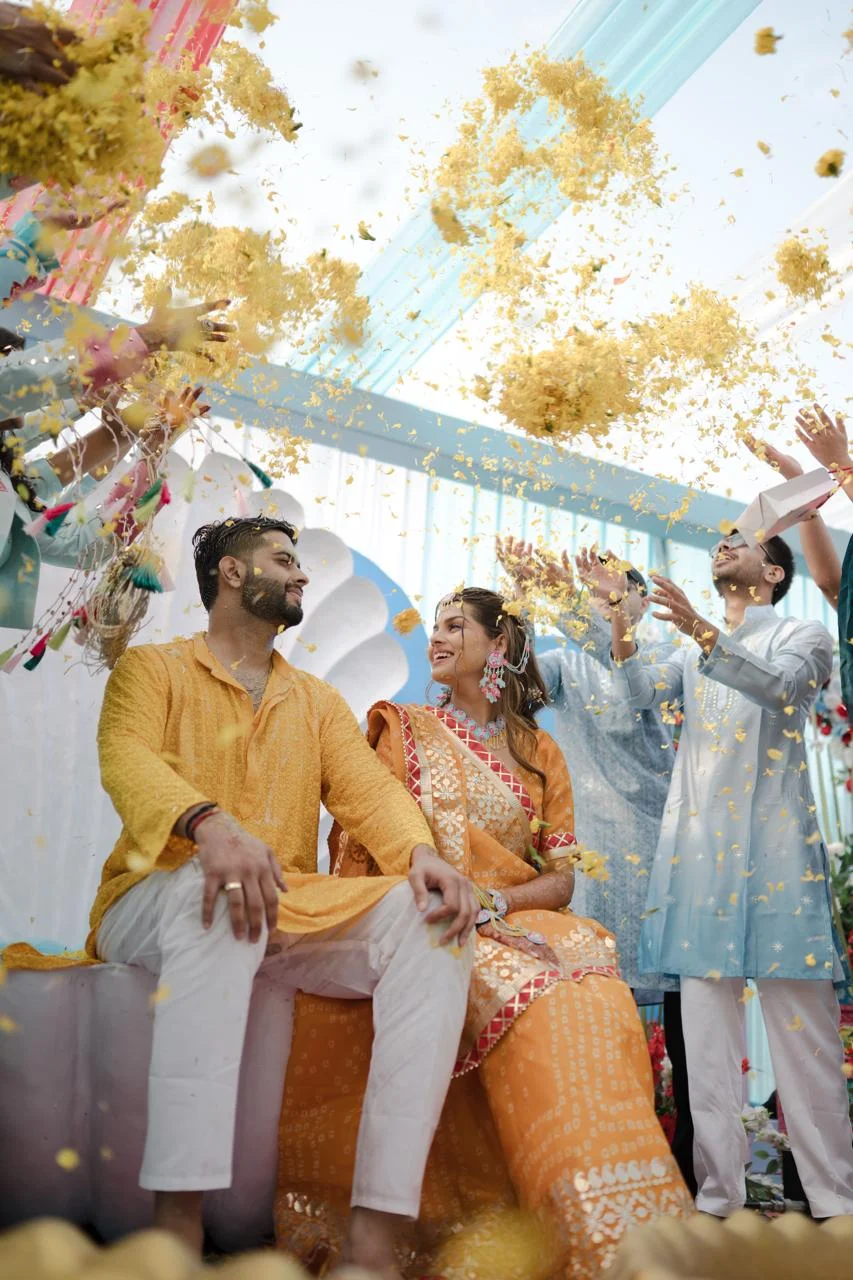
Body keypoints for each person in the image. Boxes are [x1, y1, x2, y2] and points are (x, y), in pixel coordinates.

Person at [84, 516, 478, 1269]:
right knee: (221, 886)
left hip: (285, 904)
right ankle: (178, 1222)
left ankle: (373, 1237)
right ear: (232, 574)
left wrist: (421, 853)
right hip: (155, 893)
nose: (300, 575)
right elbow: (125, 759)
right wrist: (206, 825)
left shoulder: (316, 701)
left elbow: (367, 791)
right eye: (283, 560)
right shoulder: (152, 670)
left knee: (431, 920)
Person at [275, 587, 693, 1280]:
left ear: (496, 647)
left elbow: (559, 879)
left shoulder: (539, 752)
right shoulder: (401, 731)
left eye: (453, 626)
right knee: (540, 997)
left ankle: (622, 1224)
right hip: (427, 916)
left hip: (511, 916)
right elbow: (366, 847)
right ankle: (569, 1225)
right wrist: (458, 903)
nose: (436, 638)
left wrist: (494, 903)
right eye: (434, 627)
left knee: (589, 974)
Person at [604, 531, 853, 1218]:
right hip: (698, 859)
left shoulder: (804, 637)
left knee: (802, 1033)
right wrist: (621, 624)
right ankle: (717, 1196)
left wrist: (701, 631)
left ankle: (835, 1198)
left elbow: (779, 691)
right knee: (706, 1038)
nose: (723, 545)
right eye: (719, 540)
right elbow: (634, 696)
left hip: (775, 853)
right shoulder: (687, 650)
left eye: (739, 543)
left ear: (771, 572)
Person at [497, 536, 696, 1194]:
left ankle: (687, 1162)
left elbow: (633, 698)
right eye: (597, 589)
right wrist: (516, 617)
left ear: (641, 601)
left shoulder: (671, 660)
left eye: (620, 590)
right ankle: (582, 1155)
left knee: (675, 1008)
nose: (608, 598)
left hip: (656, 852)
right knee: (585, 993)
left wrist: (583, 611)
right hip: (587, 858)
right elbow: (518, 691)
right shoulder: (564, 660)